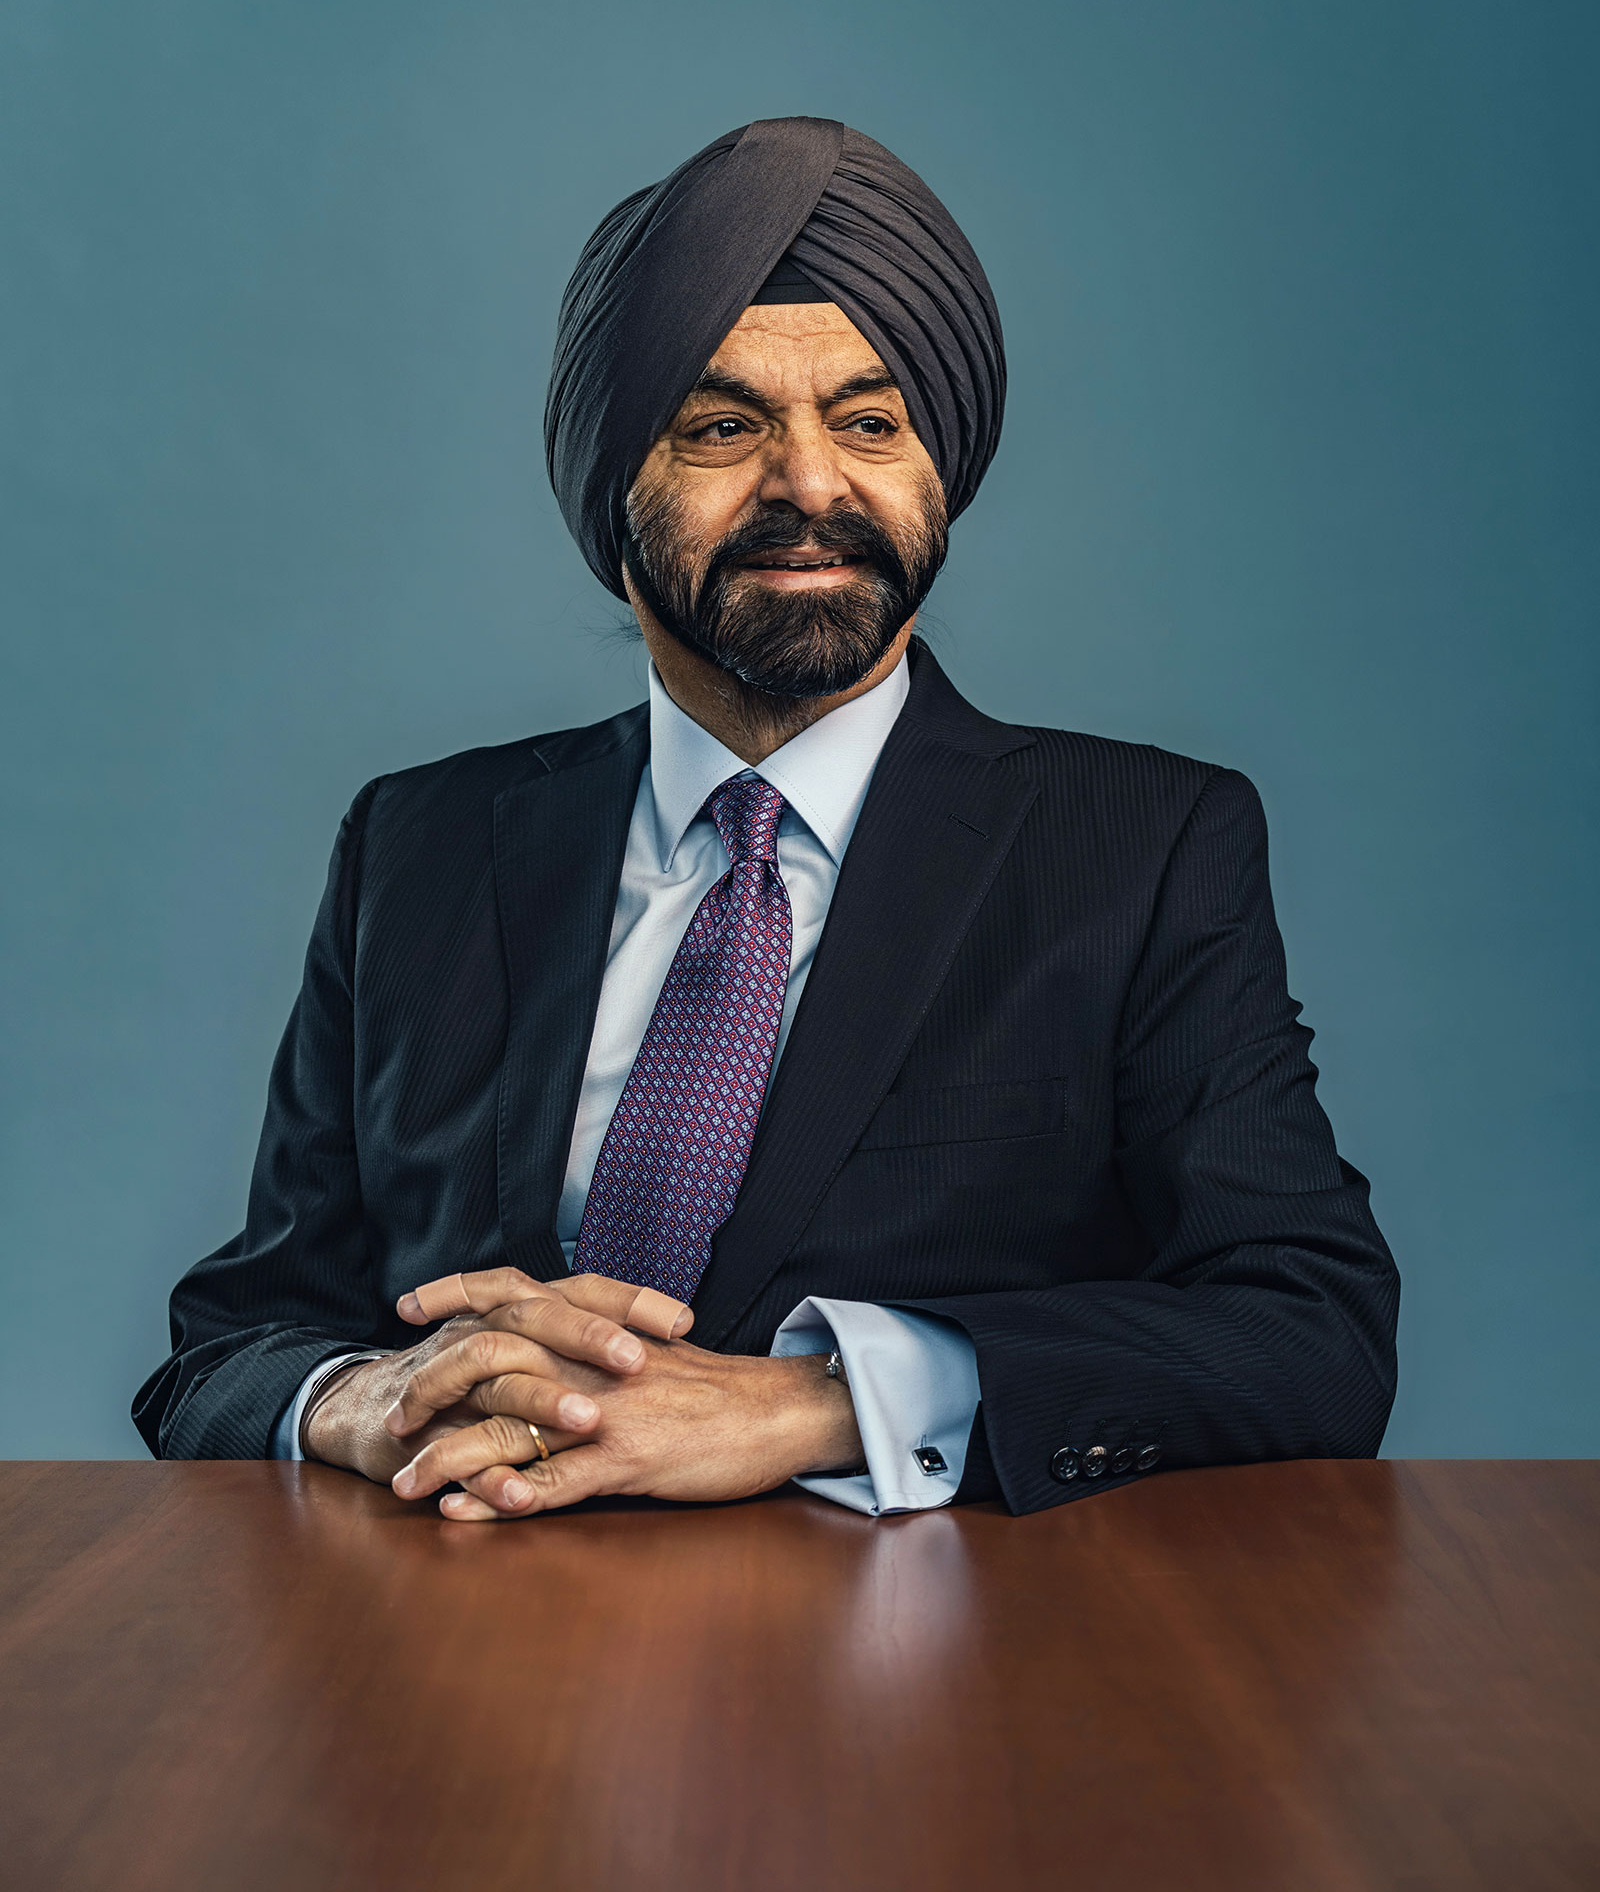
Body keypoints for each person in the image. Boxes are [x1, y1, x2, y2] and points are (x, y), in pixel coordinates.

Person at [134, 115, 1399, 1521]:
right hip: (464, 1660)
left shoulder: (1142, 848)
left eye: (870, 423)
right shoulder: (419, 848)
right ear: (613, 487)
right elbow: (229, 1348)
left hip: (945, 1681)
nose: (810, 483)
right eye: (724, 426)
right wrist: (363, 1396)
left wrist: (817, 1404)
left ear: (941, 470)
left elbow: (1310, 1334)